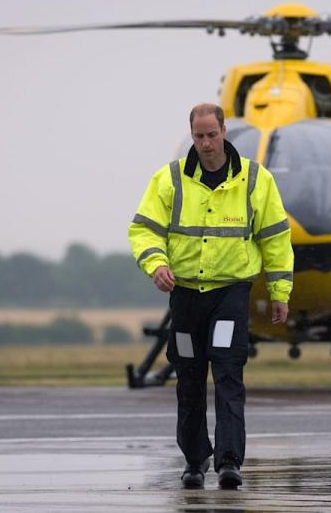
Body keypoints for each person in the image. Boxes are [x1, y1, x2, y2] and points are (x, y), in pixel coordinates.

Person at [128, 103, 293, 489]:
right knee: (188, 379)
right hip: (185, 297)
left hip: (229, 296)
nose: (205, 143)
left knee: (228, 374)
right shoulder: (169, 180)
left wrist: (280, 291)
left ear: (224, 133)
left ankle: (230, 461)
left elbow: (276, 237)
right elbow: (143, 230)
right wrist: (156, 265)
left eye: (212, 135)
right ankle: (195, 460)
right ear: (192, 135)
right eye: (198, 136)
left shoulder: (255, 180)